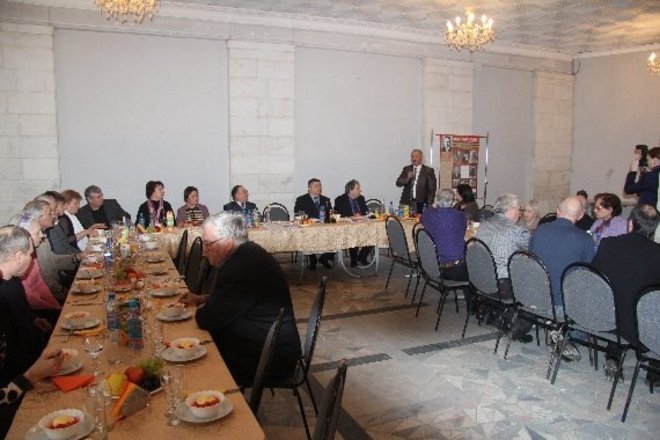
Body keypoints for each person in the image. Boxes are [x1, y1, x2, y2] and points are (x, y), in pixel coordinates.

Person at [179, 213, 302, 385]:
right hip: (269, 344)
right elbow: (235, 299)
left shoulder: (240, 269)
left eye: (208, 244)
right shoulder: (247, 252)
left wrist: (205, 308)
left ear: (228, 242)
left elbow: (207, 319)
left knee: (189, 362)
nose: (205, 251)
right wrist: (204, 298)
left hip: (270, 359)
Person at [591, 205, 660, 383]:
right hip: (642, 325)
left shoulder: (608, 244)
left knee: (621, 298)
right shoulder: (657, 254)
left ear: (630, 224)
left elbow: (592, 276)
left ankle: (613, 356)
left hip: (607, 316)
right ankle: (654, 371)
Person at [529, 196, 595, 362]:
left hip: (534, 298)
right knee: (594, 302)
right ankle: (568, 336)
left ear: (558, 212)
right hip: (561, 306)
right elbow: (588, 274)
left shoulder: (539, 231)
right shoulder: (585, 239)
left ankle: (558, 331)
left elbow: (530, 260)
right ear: (581, 216)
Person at [475, 193, 533, 342]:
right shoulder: (517, 231)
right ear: (511, 210)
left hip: (480, 280)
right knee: (536, 286)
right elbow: (532, 252)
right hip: (501, 286)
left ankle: (493, 312)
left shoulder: (483, 225)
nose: (520, 214)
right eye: (519, 210)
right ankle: (518, 327)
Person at [22, 201, 80, 303]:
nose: (54, 214)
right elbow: (44, 277)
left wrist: (76, 257)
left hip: (56, 288)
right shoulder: (34, 243)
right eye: (50, 213)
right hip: (49, 296)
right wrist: (62, 290)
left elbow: (53, 261)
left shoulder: (42, 237)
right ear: (40, 218)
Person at [421, 189, 468, 282]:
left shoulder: (428, 215)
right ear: (453, 202)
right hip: (456, 269)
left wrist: (435, 203)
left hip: (435, 266)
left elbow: (424, 215)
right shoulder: (461, 216)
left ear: (436, 200)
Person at [294, 178, 333, 270]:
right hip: (309, 228)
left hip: (324, 228)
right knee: (307, 236)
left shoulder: (326, 199)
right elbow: (298, 215)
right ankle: (313, 259)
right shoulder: (301, 199)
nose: (319, 188)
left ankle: (324, 258)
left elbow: (330, 214)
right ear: (309, 188)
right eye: (316, 186)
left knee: (336, 235)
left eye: (320, 185)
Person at [334, 180, 373, 267]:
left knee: (374, 234)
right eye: (358, 188)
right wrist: (354, 216)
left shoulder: (361, 198)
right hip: (348, 228)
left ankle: (362, 257)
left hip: (362, 226)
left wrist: (367, 215)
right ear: (350, 190)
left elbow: (365, 211)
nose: (360, 190)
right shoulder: (340, 200)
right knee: (354, 234)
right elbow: (340, 215)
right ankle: (354, 260)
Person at [396, 149, 437, 213]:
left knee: (420, 219)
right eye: (412, 156)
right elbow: (398, 183)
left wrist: (429, 204)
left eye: (416, 157)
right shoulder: (407, 169)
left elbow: (432, 189)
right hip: (407, 202)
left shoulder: (428, 171)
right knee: (405, 219)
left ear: (421, 158)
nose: (414, 159)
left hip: (422, 202)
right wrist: (407, 177)